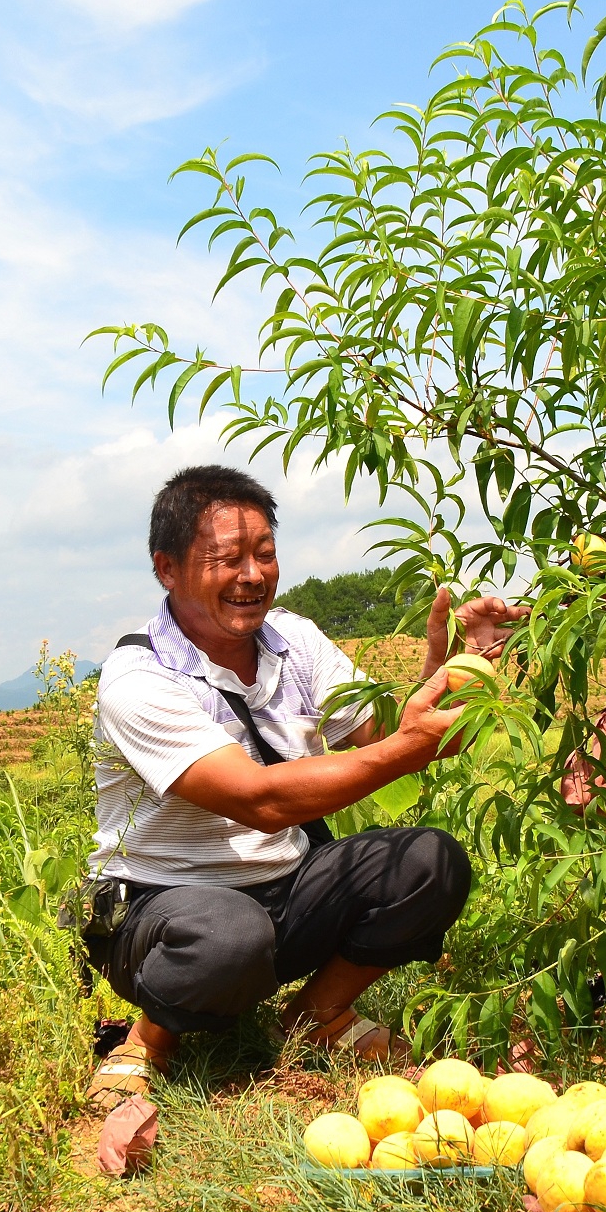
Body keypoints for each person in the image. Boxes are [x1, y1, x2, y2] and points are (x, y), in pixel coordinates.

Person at [79, 464, 523, 1137]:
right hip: (162, 913)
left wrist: (453, 662)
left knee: (429, 861)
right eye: (226, 559)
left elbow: (390, 733)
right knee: (228, 935)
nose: (252, 575)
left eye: (264, 554)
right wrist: (411, 746)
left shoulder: (296, 641)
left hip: (283, 893)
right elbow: (258, 801)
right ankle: (146, 1041)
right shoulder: (138, 678)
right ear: (166, 569)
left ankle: (318, 1017)